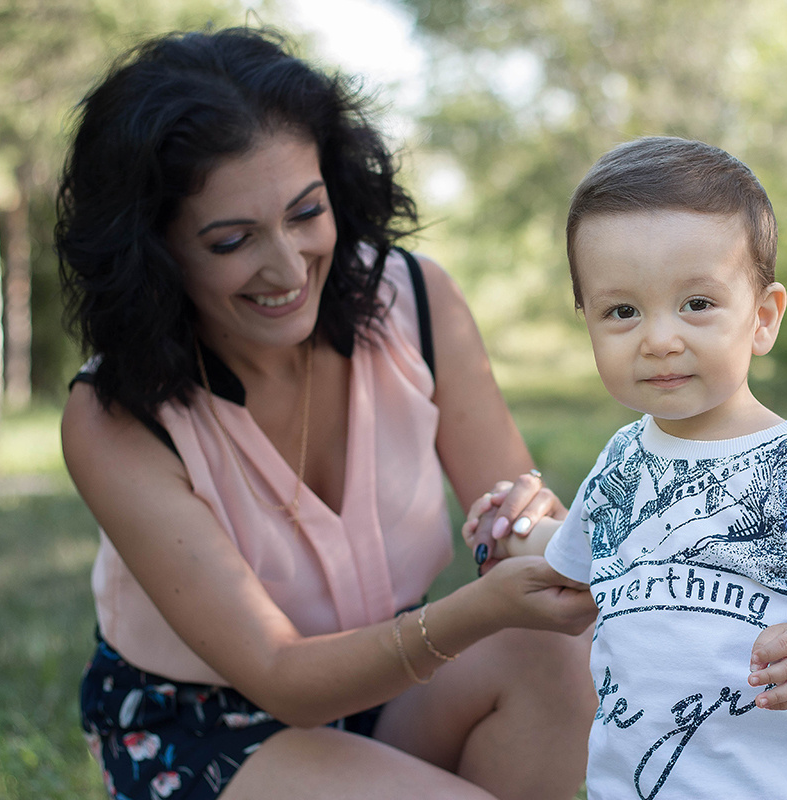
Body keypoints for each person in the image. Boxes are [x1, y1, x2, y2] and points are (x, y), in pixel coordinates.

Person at [55, 26, 596, 800]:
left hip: (395, 681)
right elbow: (282, 678)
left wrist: (539, 537)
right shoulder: (115, 416)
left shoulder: (416, 300)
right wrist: (477, 609)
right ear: (155, 250)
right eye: (233, 239)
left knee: (558, 657)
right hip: (213, 728)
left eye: (306, 213)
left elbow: (510, 539)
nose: (286, 266)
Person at [504, 136, 787, 799]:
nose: (659, 337)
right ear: (587, 322)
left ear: (762, 317)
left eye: (696, 303)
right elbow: (573, 562)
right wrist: (513, 531)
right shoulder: (620, 464)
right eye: (622, 310)